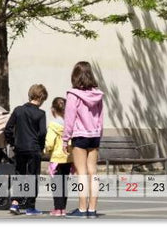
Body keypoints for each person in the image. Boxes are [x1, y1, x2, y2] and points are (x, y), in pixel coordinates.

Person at [62, 61, 104, 218]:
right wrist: (98, 134)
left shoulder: (73, 94)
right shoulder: (97, 94)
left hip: (80, 135)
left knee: (82, 172)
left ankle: (81, 209)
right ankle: (92, 209)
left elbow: (69, 119)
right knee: (93, 172)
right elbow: (100, 117)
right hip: (94, 136)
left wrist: (65, 139)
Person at [4, 84, 48, 215]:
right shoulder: (41, 113)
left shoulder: (18, 110)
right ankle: (30, 206)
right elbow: (42, 133)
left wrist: (13, 143)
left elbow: (8, 129)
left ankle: (15, 203)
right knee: (33, 177)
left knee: (19, 175)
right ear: (41, 98)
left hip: (20, 148)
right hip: (34, 148)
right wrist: (40, 147)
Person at [45, 96, 71, 216]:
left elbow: (50, 142)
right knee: (64, 183)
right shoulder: (69, 125)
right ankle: (63, 208)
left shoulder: (53, 125)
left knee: (56, 183)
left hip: (56, 158)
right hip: (68, 157)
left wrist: (46, 149)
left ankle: (57, 209)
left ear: (53, 110)